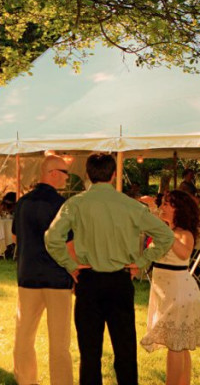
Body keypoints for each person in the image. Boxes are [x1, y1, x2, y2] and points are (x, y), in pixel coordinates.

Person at [45, 152, 174, 385]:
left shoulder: (75, 204)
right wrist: (143, 260)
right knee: (125, 351)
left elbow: (52, 238)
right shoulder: (130, 205)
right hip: (119, 282)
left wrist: (71, 266)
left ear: (87, 174)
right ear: (114, 175)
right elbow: (165, 235)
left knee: (90, 353)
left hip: (89, 282)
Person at [12, 155, 74, 385]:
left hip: (27, 275)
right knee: (59, 342)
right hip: (57, 278)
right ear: (52, 173)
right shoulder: (62, 206)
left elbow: (15, 237)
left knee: (24, 336)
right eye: (65, 173)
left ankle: (26, 381)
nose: (68, 178)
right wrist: (75, 273)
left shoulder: (22, 203)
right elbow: (70, 245)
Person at [141, 190, 200, 385]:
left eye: (167, 204)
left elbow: (184, 254)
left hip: (179, 293)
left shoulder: (184, 233)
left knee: (176, 345)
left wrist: (164, 229)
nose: (163, 207)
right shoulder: (167, 231)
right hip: (166, 292)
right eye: (163, 204)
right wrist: (151, 209)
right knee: (178, 345)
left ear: (178, 209)